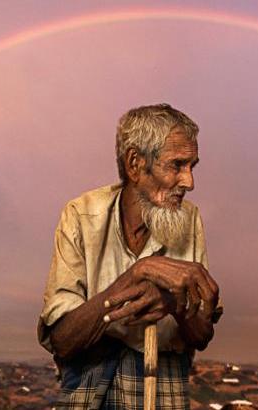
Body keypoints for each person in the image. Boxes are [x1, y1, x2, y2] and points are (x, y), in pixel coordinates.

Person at [38, 103, 222, 409]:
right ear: (135, 164)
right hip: (88, 382)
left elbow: (201, 335)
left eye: (192, 166)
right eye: (177, 165)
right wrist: (139, 272)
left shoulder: (189, 220)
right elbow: (62, 340)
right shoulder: (81, 215)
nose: (189, 182)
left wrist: (174, 304)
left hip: (163, 382)